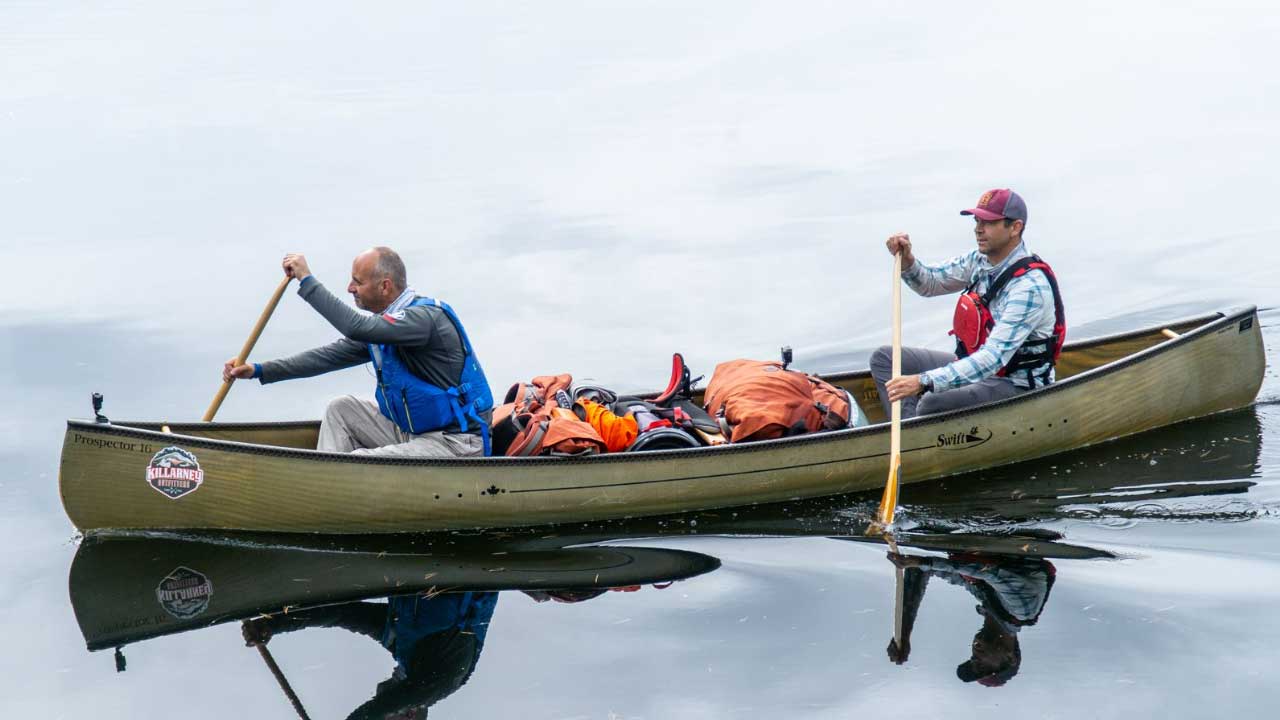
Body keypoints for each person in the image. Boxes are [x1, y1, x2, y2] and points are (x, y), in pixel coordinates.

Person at [222, 248, 493, 457]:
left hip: (455, 442)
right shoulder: (384, 329)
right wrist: (259, 370)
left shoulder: (423, 320)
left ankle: (333, 485)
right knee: (341, 409)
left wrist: (307, 280)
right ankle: (324, 480)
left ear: (385, 286)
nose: (350, 288)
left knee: (362, 461)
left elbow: (355, 327)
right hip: (414, 433)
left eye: (357, 282)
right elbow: (326, 357)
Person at [871, 189, 1065, 419]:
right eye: (977, 220)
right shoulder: (979, 260)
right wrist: (907, 261)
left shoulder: (1029, 288)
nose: (978, 229)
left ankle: (915, 429)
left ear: (1015, 227)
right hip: (981, 371)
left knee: (931, 400)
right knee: (885, 358)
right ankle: (909, 428)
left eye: (988, 222)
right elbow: (930, 283)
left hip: (1015, 384)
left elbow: (992, 359)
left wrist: (923, 381)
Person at [243, 591, 498, 719]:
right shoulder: (443, 680)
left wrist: (272, 625)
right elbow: (376, 711)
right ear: (410, 715)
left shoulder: (402, 641)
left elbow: (341, 614)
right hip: (455, 553)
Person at [884, 551, 1056, 687]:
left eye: (972, 659)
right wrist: (924, 562)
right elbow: (990, 572)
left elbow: (919, 569)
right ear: (1010, 658)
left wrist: (903, 632)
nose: (975, 657)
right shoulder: (1024, 610)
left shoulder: (985, 597)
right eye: (983, 666)